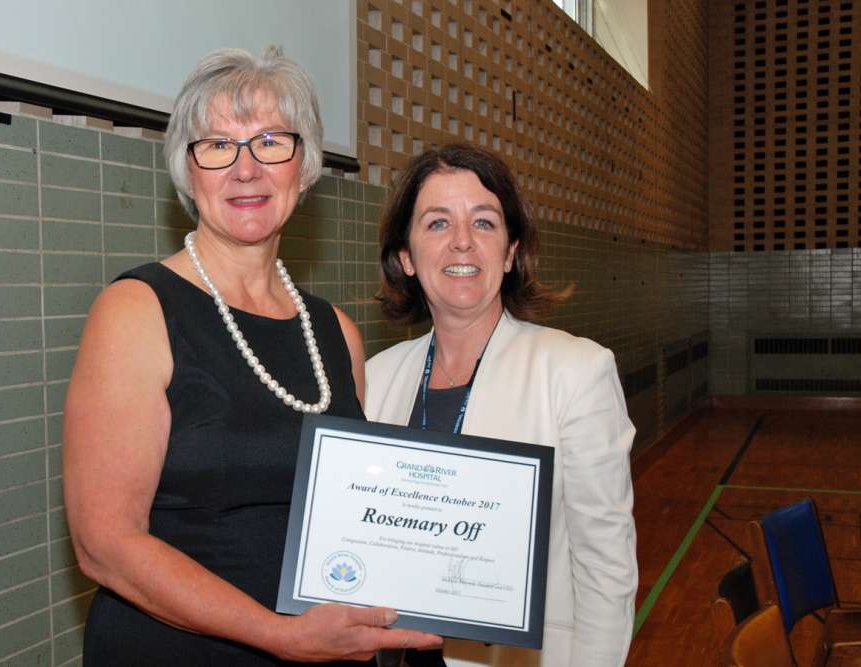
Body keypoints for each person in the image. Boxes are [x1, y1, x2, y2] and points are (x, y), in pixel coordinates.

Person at [63, 48, 442, 666]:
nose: (246, 169)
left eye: (270, 142)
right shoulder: (137, 311)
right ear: (189, 172)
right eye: (217, 145)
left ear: (305, 165)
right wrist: (281, 636)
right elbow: (105, 544)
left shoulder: (336, 332)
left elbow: (354, 520)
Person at [365, 144, 638, 667]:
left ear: (510, 252)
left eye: (484, 223)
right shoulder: (376, 380)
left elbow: (607, 569)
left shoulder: (574, 372)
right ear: (406, 256)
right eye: (438, 223)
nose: (462, 242)